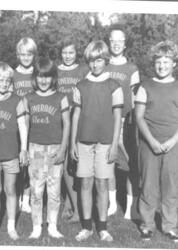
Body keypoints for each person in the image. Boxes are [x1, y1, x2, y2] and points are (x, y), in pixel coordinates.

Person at [71, 40, 123, 242]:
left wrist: (115, 145)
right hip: (84, 142)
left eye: (99, 60)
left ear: (105, 60)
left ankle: (102, 227)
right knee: (85, 183)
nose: (95, 64)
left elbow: (118, 117)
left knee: (102, 184)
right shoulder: (80, 86)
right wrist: (73, 143)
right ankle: (86, 227)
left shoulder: (114, 85)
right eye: (91, 60)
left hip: (105, 143)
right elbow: (76, 115)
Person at [135, 40, 178, 242]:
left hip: (173, 144)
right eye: (158, 61)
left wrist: (173, 141)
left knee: (171, 185)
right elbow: (139, 117)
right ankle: (147, 225)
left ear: (174, 64)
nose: (162, 65)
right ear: (153, 64)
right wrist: (151, 141)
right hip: (149, 144)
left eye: (166, 61)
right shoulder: (145, 86)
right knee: (148, 185)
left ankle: (169, 225)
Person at [24, 57, 70, 239]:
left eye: (48, 77)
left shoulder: (61, 98)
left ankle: (52, 225)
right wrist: (25, 149)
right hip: (35, 148)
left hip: (55, 148)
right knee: (36, 190)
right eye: (40, 76)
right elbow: (25, 126)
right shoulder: (28, 98)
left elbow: (66, 125)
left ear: (53, 78)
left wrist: (63, 149)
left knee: (54, 190)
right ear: (35, 77)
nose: (44, 81)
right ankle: (36, 226)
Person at [0, 62, 28, 240]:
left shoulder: (16, 100)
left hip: (11, 153)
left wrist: (23, 148)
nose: (4, 83)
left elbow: (22, 126)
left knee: (10, 189)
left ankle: (10, 226)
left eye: (7, 80)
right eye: (0, 80)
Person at [105, 25, 140, 219]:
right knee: (108, 162)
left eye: (120, 40)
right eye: (113, 40)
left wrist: (134, 123)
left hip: (126, 121)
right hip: (107, 120)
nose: (116, 44)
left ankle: (129, 207)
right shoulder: (104, 65)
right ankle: (111, 205)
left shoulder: (132, 68)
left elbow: (135, 99)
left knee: (128, 163)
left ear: (124, 43)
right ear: (109, 42)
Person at [57, 36, 89, 223]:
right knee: (65, 165)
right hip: (61, 121)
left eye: (71, 52)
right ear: (60, 53)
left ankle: (73, 206)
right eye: (64, 52)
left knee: (75, 163)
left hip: (78, 119)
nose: (68, 56)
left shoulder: (83, 70)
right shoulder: (56, 70)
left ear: (76, 53)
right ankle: (73, 207)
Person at [13, 37, 37, 213]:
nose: (26, 57)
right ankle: (13, 195)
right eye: (22, 54)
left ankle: (26, 199)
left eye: (29, 54)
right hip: (16, 123)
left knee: (29, 162)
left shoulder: (38, 73)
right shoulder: (12, 74)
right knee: (15, 161)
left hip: (35, 122)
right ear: (17, 55)